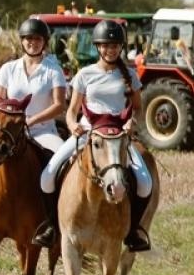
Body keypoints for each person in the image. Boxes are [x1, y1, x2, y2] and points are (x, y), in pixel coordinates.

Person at [41, 19, 154, 251]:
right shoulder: (85, 74)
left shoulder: (130, 75)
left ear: (120, 47)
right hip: (89, 133)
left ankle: (134, 232)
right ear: (98, 47)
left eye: (114, 45)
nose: (109, 49)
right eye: (105, 45)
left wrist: (132, 122)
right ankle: (52, 225)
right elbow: (71, 111)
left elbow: (138, 108)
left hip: (118, 136)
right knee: (47, 175)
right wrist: (72, 125)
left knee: (144, 182)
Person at [0, 18, 71, 247]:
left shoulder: (53, 70)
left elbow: (59, 105)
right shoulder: (9, 69)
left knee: (61, 165)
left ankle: (52, 222)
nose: (32, 43)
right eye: (29, 39)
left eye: (37, 39)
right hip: (9, 132)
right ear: (22, 42)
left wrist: (32, 120)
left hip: (42, 131)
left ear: (44, 42)